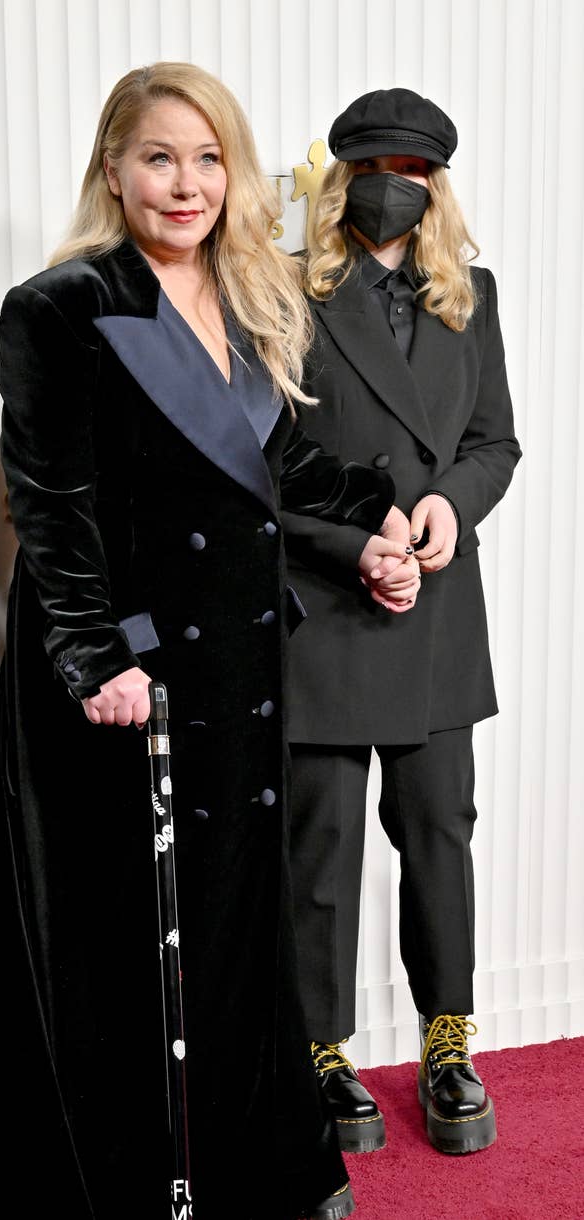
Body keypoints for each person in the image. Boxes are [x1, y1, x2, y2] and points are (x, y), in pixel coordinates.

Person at [0, 63, 408, 1220]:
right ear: (114, 169)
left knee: (227, 917)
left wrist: (380, 516)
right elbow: (51, 505)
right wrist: (97, 657)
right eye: (161, 157)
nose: (187, 182)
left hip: (234, 669)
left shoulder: (245, 292)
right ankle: (116, 1176)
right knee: (120, 934)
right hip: (125, 677)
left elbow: (273, 463)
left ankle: (246, 1162)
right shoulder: (59, 305)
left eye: (209, 157)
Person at [283, 87, 521, 1158]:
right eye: (374, 164)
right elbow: (259, 462)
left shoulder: (471, 293)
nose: (393, 186)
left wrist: (447, 508)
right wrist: (356, 541)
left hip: (436, 604)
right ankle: (318, 1052)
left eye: (413, 171)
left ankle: (445, 1039)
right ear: (342, 176)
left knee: (438, 834)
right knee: (319, 846)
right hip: (326, 605)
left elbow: (490, 443)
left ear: (437, 184)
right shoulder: (279, 293)